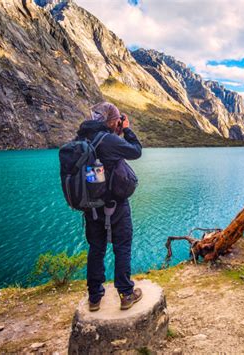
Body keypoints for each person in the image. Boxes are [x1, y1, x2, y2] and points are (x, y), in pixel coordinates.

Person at [77, 102, 142, 311]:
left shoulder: (82, 138)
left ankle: (94, 298)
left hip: (91, 206)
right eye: (117, 120)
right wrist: (127, 130)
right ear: (113, 121)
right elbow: (136, 151)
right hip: (116, 205)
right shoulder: (110, 140)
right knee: (122, 246)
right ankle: (126, 293)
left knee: (96, 248)